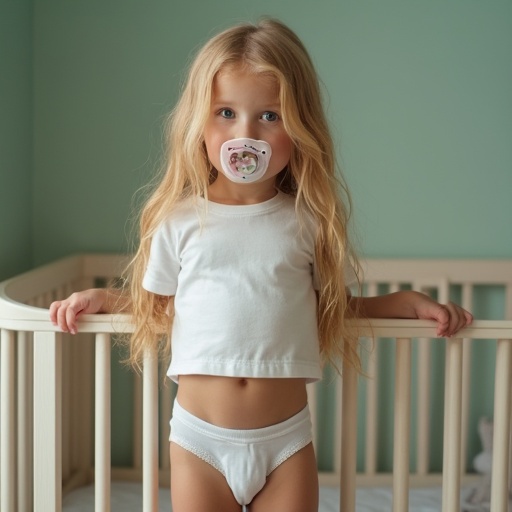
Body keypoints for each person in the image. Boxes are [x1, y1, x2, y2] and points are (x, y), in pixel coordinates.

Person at [49, 18, 473, 512]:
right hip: (199, 443)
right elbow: (159, 309)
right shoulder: (179, 221)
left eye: (269, 116)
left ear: (300, 126)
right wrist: (103, 299)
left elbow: (328, 310)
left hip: (286, 443)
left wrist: (405, 303)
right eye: (226, 112)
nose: (245, 134)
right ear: (198, 124)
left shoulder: (306, 222)